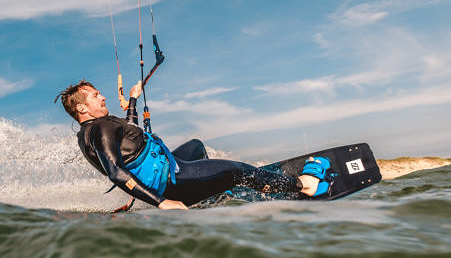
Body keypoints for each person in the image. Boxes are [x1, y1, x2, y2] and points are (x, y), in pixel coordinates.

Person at [55, 80, 332, 211]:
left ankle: (209, 193)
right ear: (82, 108)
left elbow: (130, 136)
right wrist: (162, 202)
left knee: (196, 145)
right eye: (95, 96)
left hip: (170, 167)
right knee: (236, 170)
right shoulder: (100, 129)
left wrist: (133, 100)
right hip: (168, 184)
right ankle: (304, 185)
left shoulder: (91, 130)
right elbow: (116, 172)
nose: (102, 97)